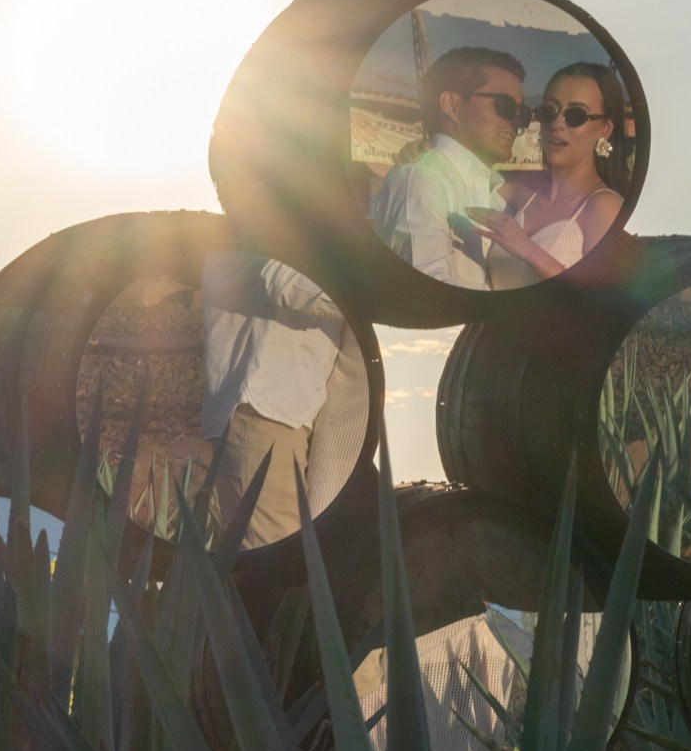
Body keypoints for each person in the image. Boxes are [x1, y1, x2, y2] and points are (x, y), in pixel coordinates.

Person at [200, 250, 351, 549]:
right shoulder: (260, 223)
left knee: (283, 559)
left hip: (278, 418)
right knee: (276, 566)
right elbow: (282, 281)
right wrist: (375, 295)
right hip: (261, 417)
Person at [369, 46, 527, 288]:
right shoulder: (421, 178)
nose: (517, 120)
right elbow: (428, 291)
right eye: (505, 106)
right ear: (452, 106)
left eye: (522, 112)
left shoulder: (499, 197)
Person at [472, 61, 630, 288]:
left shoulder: (604, 206)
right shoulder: (526, 193)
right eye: (548, 112)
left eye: (576, 115)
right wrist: (427, 155)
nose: (557, 123)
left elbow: (604, 302)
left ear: (605, 129)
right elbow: (467, 176)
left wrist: (528, 251)